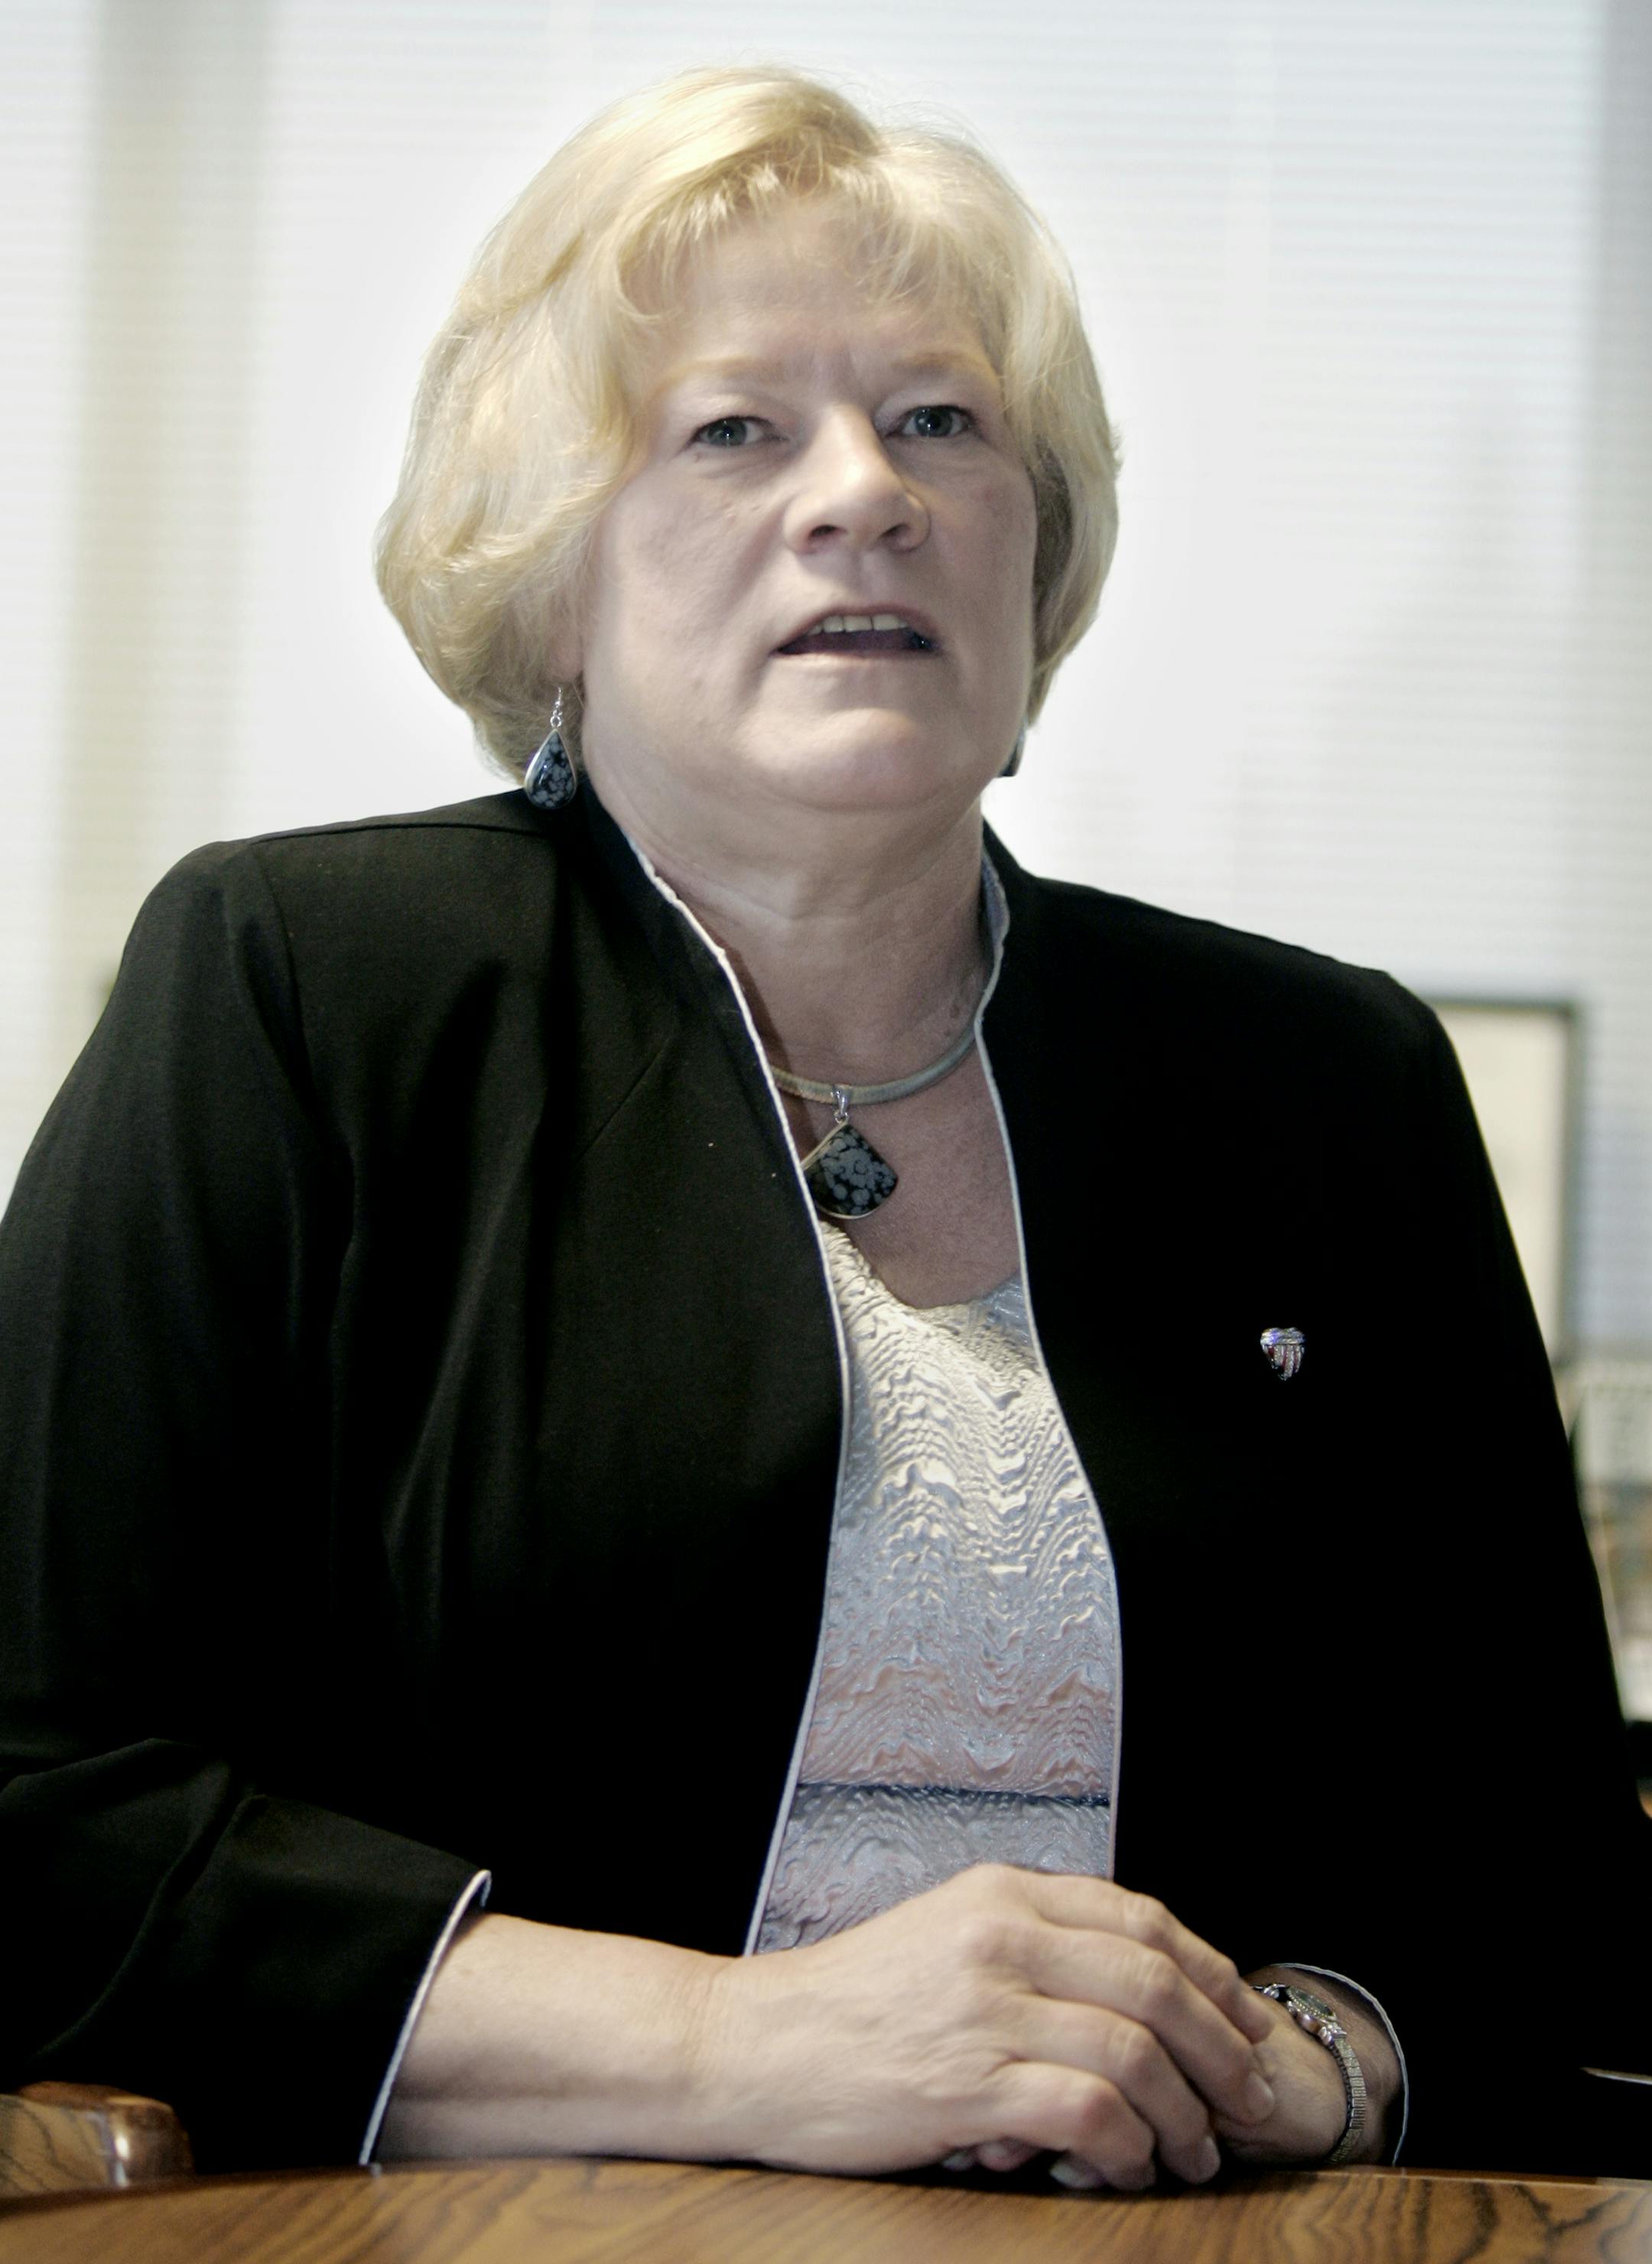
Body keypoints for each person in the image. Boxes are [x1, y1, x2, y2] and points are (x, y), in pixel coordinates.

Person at [0, 64, 1644, 2186]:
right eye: (734, 429)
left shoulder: (1327, 1086)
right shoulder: (306, 993)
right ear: (547, 573)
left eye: (942, 423)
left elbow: (1555, 1890)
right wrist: (741, 2050)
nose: (863, 494)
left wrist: (1303, 2062)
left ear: (1037, 557)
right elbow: (37, 1795)